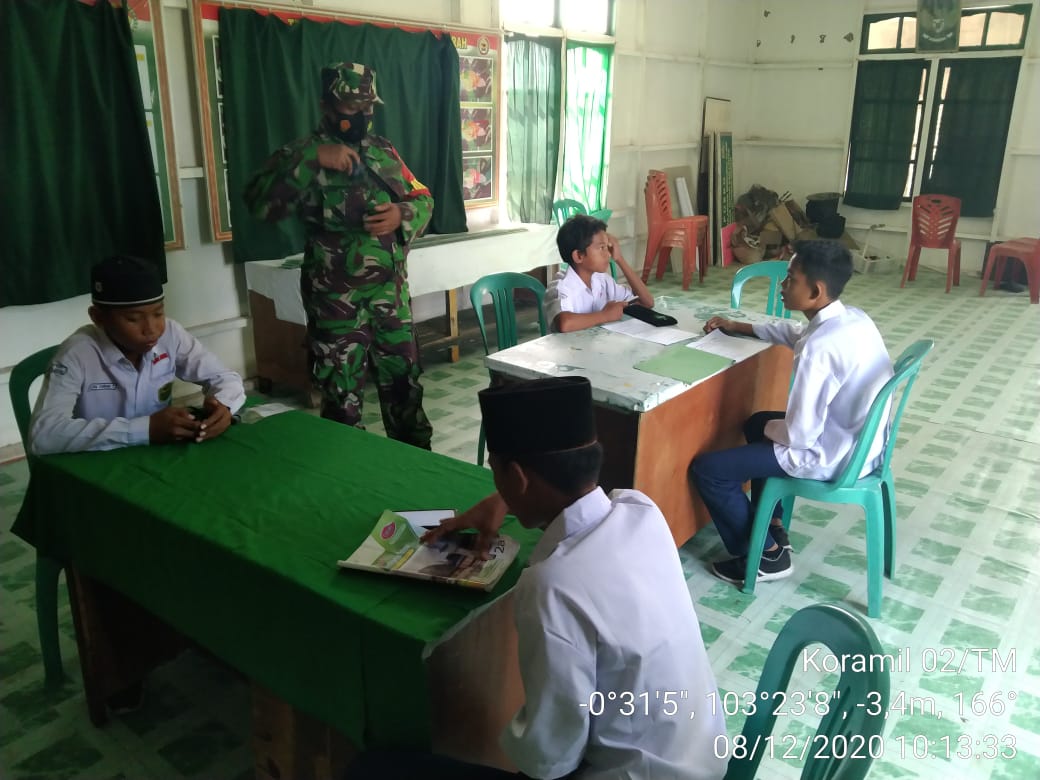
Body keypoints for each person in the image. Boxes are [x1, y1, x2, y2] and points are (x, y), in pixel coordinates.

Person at [349, 377, 726, 780]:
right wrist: (505, 498)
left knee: (373, 768)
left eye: (496, 473)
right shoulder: (640, 510)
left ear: (519, 477)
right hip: (700, 753)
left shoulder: (552, 584)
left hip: (634, 774)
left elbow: (552, 756)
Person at [244, 62, 434, 448]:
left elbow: (423, 198)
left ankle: (420, 472)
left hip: (391, 301)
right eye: (352, 108)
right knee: (341, 408)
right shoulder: (299, 154)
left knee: (405, 394)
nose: (362, 115)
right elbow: (260, 205)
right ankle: (347, 474)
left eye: (368, 107)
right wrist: (311, 161)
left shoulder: (383, 151)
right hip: (336, 306)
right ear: (325, 106)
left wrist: (401, 214)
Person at [689, 240, 893, 584]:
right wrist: (739, 326)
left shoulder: (819, 348)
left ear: (815, 291)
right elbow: (796, 333)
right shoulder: (853, 319)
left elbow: (800, 436)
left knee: (709, 470)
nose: (782, 285)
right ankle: (773, 523)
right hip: (864, 445)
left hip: (832, 456)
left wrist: (772, 429)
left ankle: (766, 556)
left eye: (790, 279)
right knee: (757, 422)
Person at [29, 255, 246, 455]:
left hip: (156, 456)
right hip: (98, 462)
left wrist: (223, 405)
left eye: (158, 313)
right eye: (133, 319)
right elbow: (44, 434)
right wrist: (145, 429)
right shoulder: (77, 353)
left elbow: (224, 377)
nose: (151, 329)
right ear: (98, 317)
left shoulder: (171, 334)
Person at [544, 214, 654, 333]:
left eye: (607, 247)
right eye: (602, 248)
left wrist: (619, 259)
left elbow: (647, 302)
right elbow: (565, 324)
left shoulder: (602, 280)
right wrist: (605, 315)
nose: (608, 254)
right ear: (579, 256)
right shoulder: (561, 287)